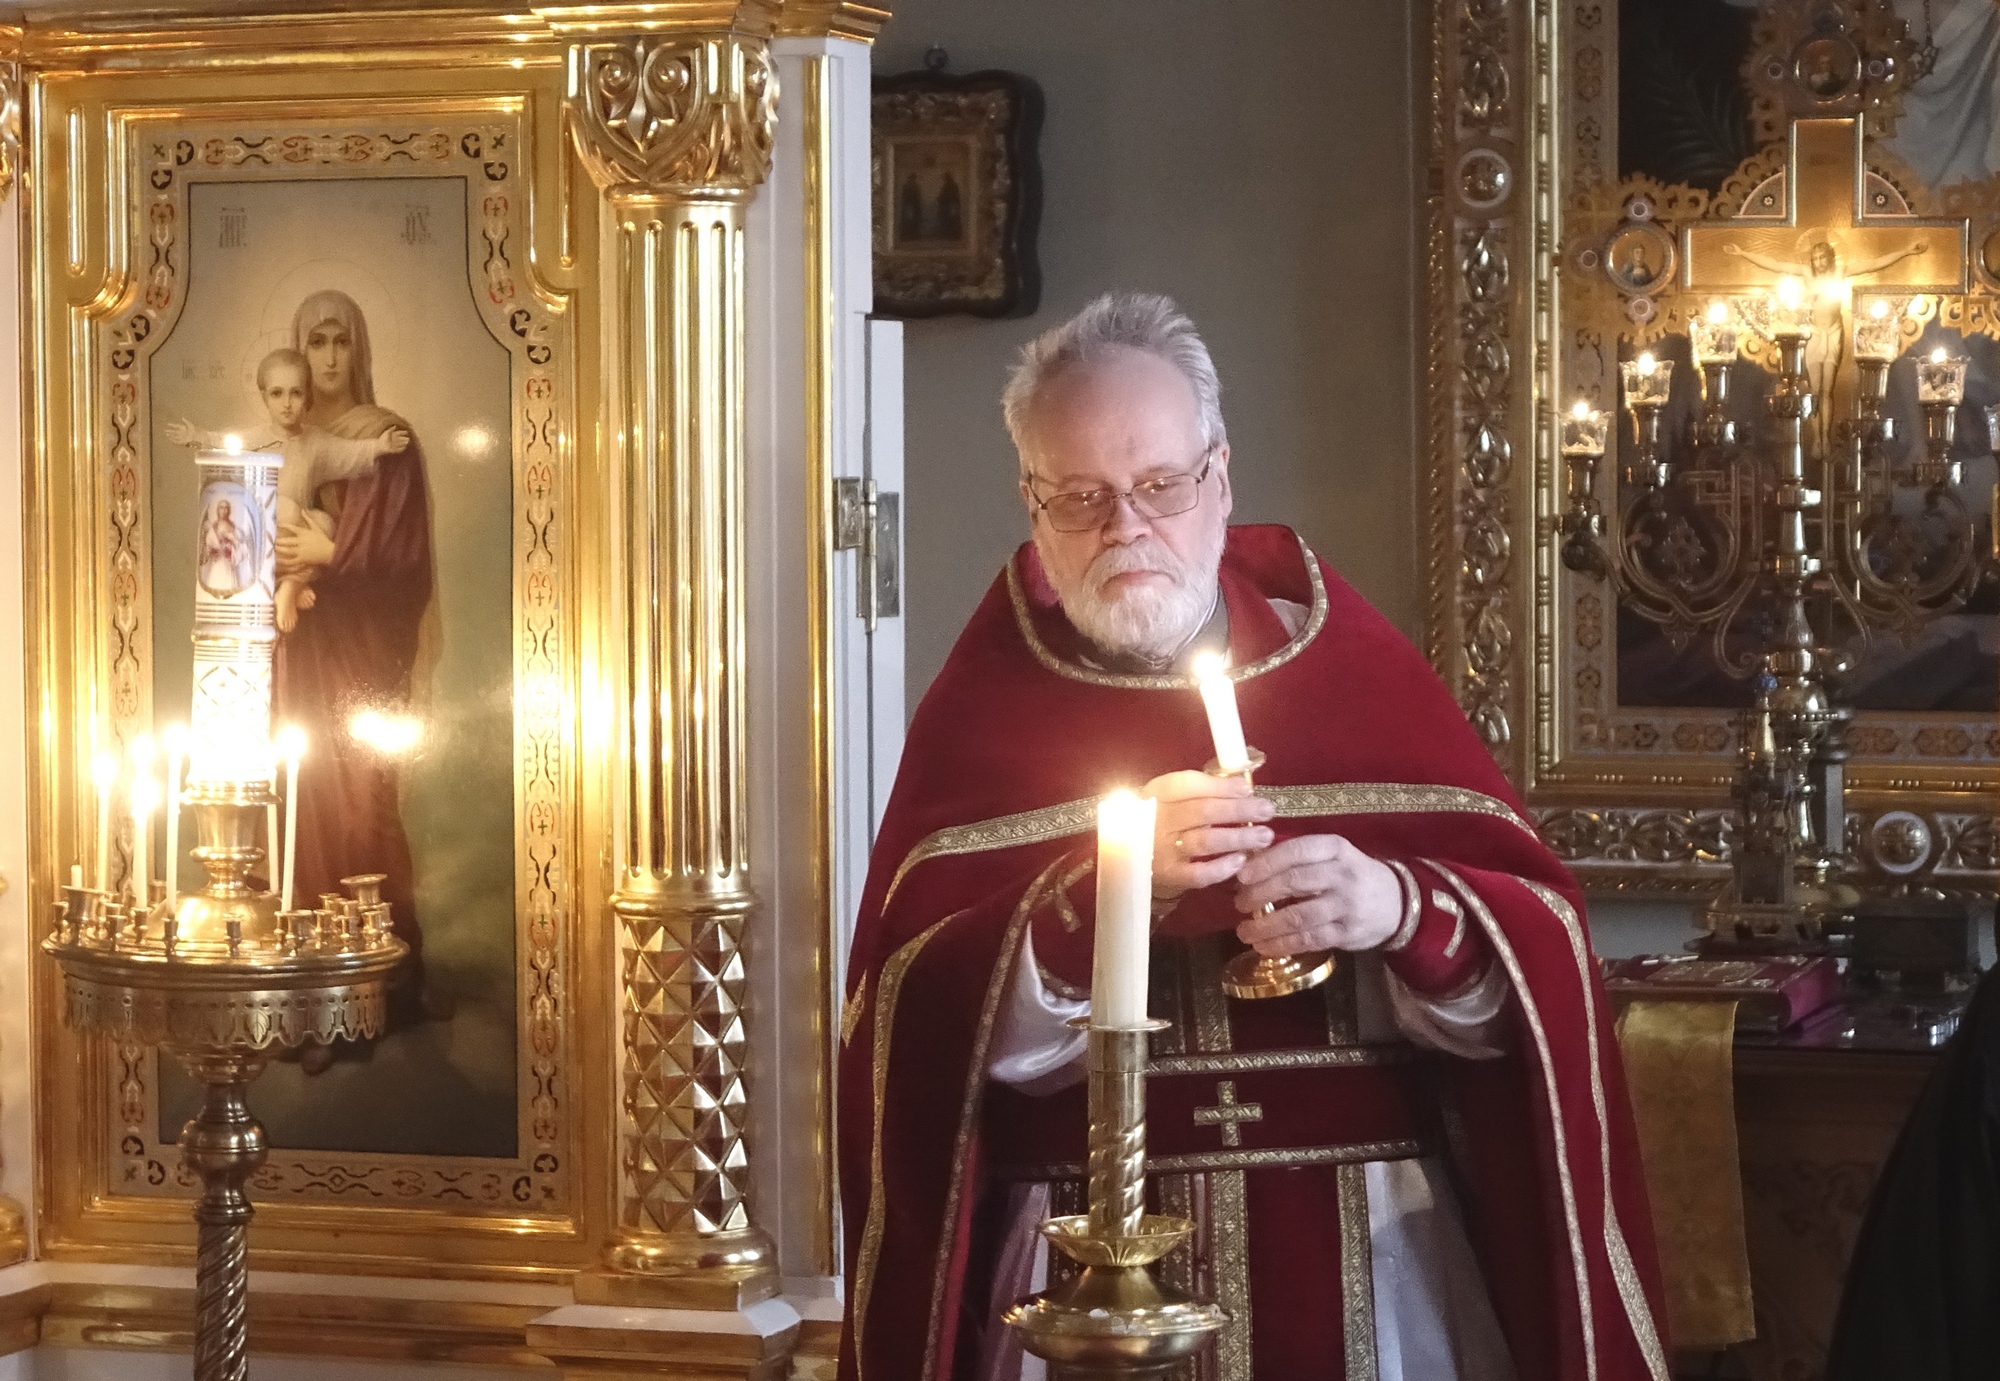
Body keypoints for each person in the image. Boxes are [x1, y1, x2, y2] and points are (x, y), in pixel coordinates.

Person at [836, 294, 1669, 1381]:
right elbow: (897, 1019)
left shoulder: (1353, 677)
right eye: (1079, 496)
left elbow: (1548, 961)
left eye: (1159, 486)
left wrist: (1400, 909)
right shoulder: (983, 712)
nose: (1123, 528)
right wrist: (1094, 900)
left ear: (1218, 477)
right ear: (1030, 503)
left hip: (1377, 1248)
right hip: (1073, 1269)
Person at [272, 288, 439, 1053]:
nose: (329, 358)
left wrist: (331, 554)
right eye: (315, 343)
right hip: (306, 649)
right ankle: (313, 998)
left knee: (363, 803)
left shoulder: (388, 440)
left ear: (358, 350)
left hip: (366, 655)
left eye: (341, 342)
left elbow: (407, 562)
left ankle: (381, 982)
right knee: (308, 805)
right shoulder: (295, 442)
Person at [167, 347, 412, 630]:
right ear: (264, 397)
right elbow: (223, 444)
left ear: (307, 395)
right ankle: (285, 585)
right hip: (262, 534)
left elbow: (348, 454)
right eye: (277, 393)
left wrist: (379, 446)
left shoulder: (316, 442)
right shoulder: (255, 438)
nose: (287, 404)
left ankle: (291, 587)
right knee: (288, 507)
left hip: (296, 537)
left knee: (325, 522)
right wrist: (194, 437)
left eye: (296, 393)